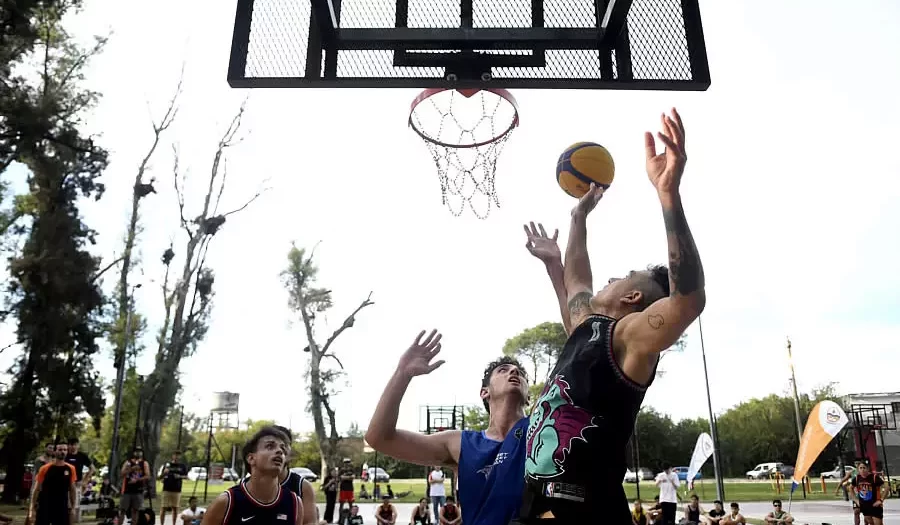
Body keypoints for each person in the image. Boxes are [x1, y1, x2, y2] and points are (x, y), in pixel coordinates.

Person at [519, 109, 704, 523]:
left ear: (633, 296)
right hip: (537, 501)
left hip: (585, 508)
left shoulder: (630, 338)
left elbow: (688, 298)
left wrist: (668, 194)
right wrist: (578, 217)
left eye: (625, 275)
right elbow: (577, 277)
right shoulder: (588, 326)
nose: (613, 277)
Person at [365, 330, 530, 525]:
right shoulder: (460, 443)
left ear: (528, 396)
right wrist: (402, 374)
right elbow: (379, 438)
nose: (514, 372)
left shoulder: (543, 430)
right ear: (484, 392)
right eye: (503, 370)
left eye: (519, 372)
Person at [200, 426, 302, 525]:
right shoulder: (226, 502)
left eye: (283, 449)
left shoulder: (295, 503)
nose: (280, 451)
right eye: (270, 446)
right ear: (251, 458)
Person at [273, 425, 318, 525]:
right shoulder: (245, 486)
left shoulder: (302, 487)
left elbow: (309, 522)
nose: (279, 450)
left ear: (290, 452)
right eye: (271, 445)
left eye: (283, 445)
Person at [29, 442, 77, 525]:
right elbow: (36, 489)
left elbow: (72, 489)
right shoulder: (45, 468)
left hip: (61, 506)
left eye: (65, 450)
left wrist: (73, 507)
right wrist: (31, 509)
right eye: (60, 449)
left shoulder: (71, 468)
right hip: (45, 505)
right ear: (55, 452)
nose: (63, 452)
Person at [65, 437, 94, 523]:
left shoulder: (82, 456)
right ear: (68, 446)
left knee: (74, 508)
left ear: (78, 445)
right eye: (71, 445)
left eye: (75, 445)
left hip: (76, 484)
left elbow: (92, 468)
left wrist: (84, 481)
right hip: (64, 484)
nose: (73, 447)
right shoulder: (64, 454)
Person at [119, 447, 150, 525]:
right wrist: (131, 469)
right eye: (136, 452)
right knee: (122, 510)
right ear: (133, 453)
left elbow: (148, 476)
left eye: (140, 452)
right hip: (127, 490)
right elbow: (122, 474)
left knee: (135, 510)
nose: (138, 453)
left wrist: (138, 479)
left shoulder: (144, 463)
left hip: (138, 490)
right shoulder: (128, 462)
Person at [160, 450, 189, 525]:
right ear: (172, 456)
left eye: (178, 455)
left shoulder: (182, 466)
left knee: (175, 508)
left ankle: (174, 523)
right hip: (166, 489)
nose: (176, 457)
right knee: (163, 508)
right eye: (175, 455)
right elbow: (160, 477)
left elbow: (186, 476)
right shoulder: (167, 465)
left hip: (177, 489)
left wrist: (180, 476)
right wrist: (164, 473)